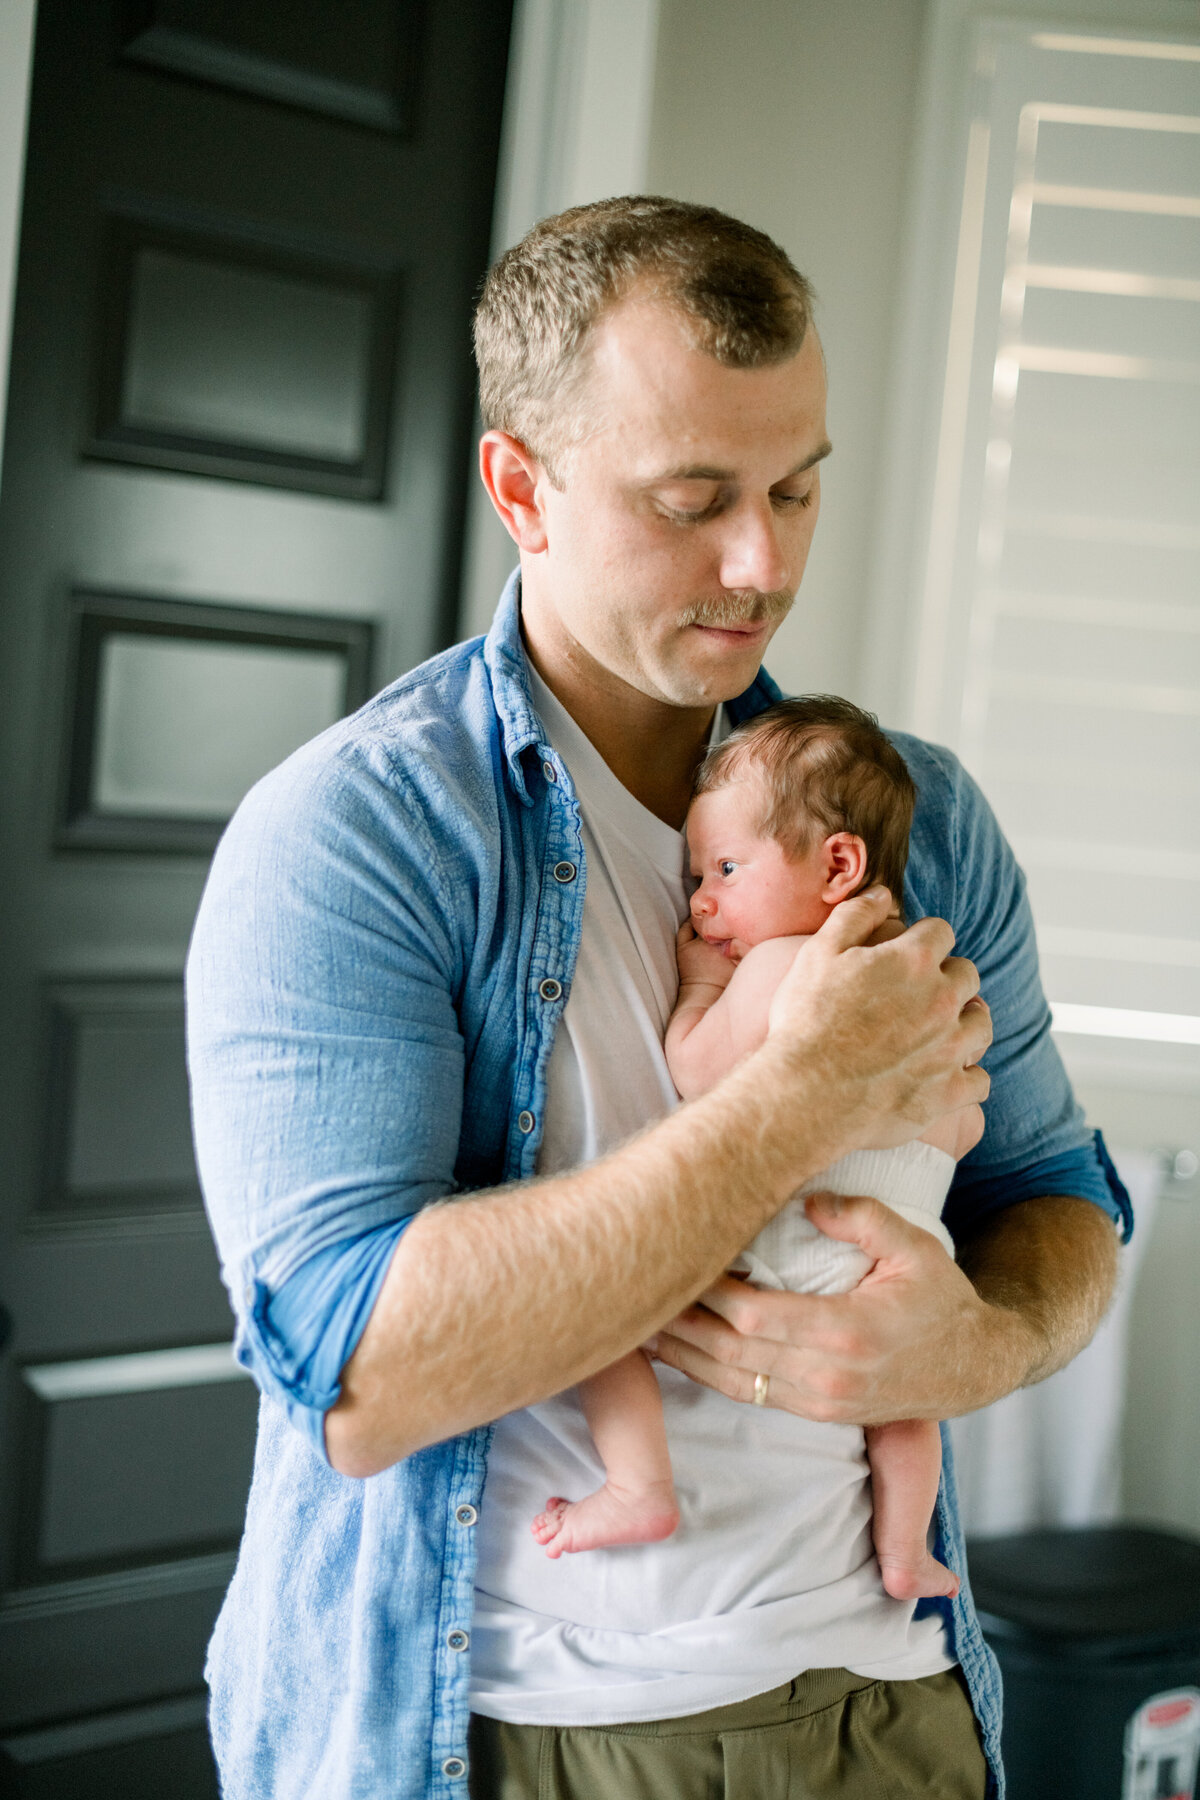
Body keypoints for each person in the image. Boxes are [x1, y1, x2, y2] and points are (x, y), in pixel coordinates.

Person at [186, 197, 1130, 1800]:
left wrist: (978, 1347)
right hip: (504, 1733)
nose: (761, 560)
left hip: (888, 1706)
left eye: (797, 487)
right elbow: (359, 1382)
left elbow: (1056, 1197)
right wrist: (798, 1102)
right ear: (520, 488)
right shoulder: (354, 838)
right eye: (693, 501)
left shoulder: (922, 818)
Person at [531, 697, 976, 1609]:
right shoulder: (923, 985)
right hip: (892, 1273)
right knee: (906, 1403)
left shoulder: (786, 964)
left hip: (787, 1250)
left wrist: (700, 984)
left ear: (837, 866)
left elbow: (697, 1071)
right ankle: (902, 1550)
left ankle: (638, 1488)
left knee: (593, 1321)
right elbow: (964, 1125)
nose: (701, 899)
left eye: (727, 867)